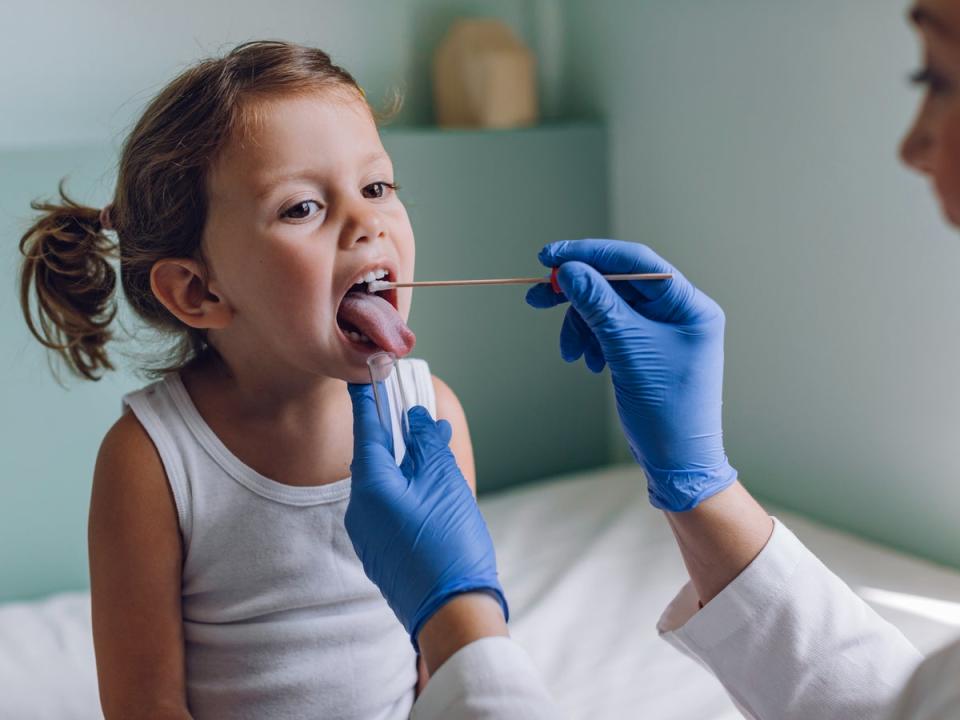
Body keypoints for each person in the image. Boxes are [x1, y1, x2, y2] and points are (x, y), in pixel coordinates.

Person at [343, 1, 960, 717]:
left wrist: (458, 620)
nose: (913, 146)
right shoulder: (179, 451)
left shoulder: (436, 411)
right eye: (299, 207)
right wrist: (700, 487)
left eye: (939, 77)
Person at [17, 41, 491, 719]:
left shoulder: (430, 416)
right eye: (301, 208)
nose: (368, 224)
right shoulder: (153, 459)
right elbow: (144, 706)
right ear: (197, 291)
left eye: (377, 187)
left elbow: (451, 666)